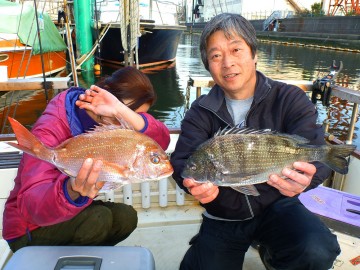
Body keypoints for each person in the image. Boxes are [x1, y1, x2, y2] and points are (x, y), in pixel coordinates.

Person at [170, 13, 340, 270]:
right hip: (223, 214)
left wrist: (308, 179)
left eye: (236, 49)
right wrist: (192, 185)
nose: (227, 62)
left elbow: (314, 148)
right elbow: (183, 162)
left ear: (254, 54)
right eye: (216, 55)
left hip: (278, 206)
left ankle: (274, 256)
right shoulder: (200, 111)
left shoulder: (289, 98)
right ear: (208, 65)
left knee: (317, 249)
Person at [3, 66, 170, 252]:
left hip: (70, 213)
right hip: (28, 230)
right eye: (119, 116)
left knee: (126, 217)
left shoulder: (121, 124)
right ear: (104, 94)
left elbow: (161, 139)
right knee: (100, 219)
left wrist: (122, 112)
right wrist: (71, 190)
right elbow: (30, 207)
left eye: (130, 117)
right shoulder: (51, 127)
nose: (126, 124)